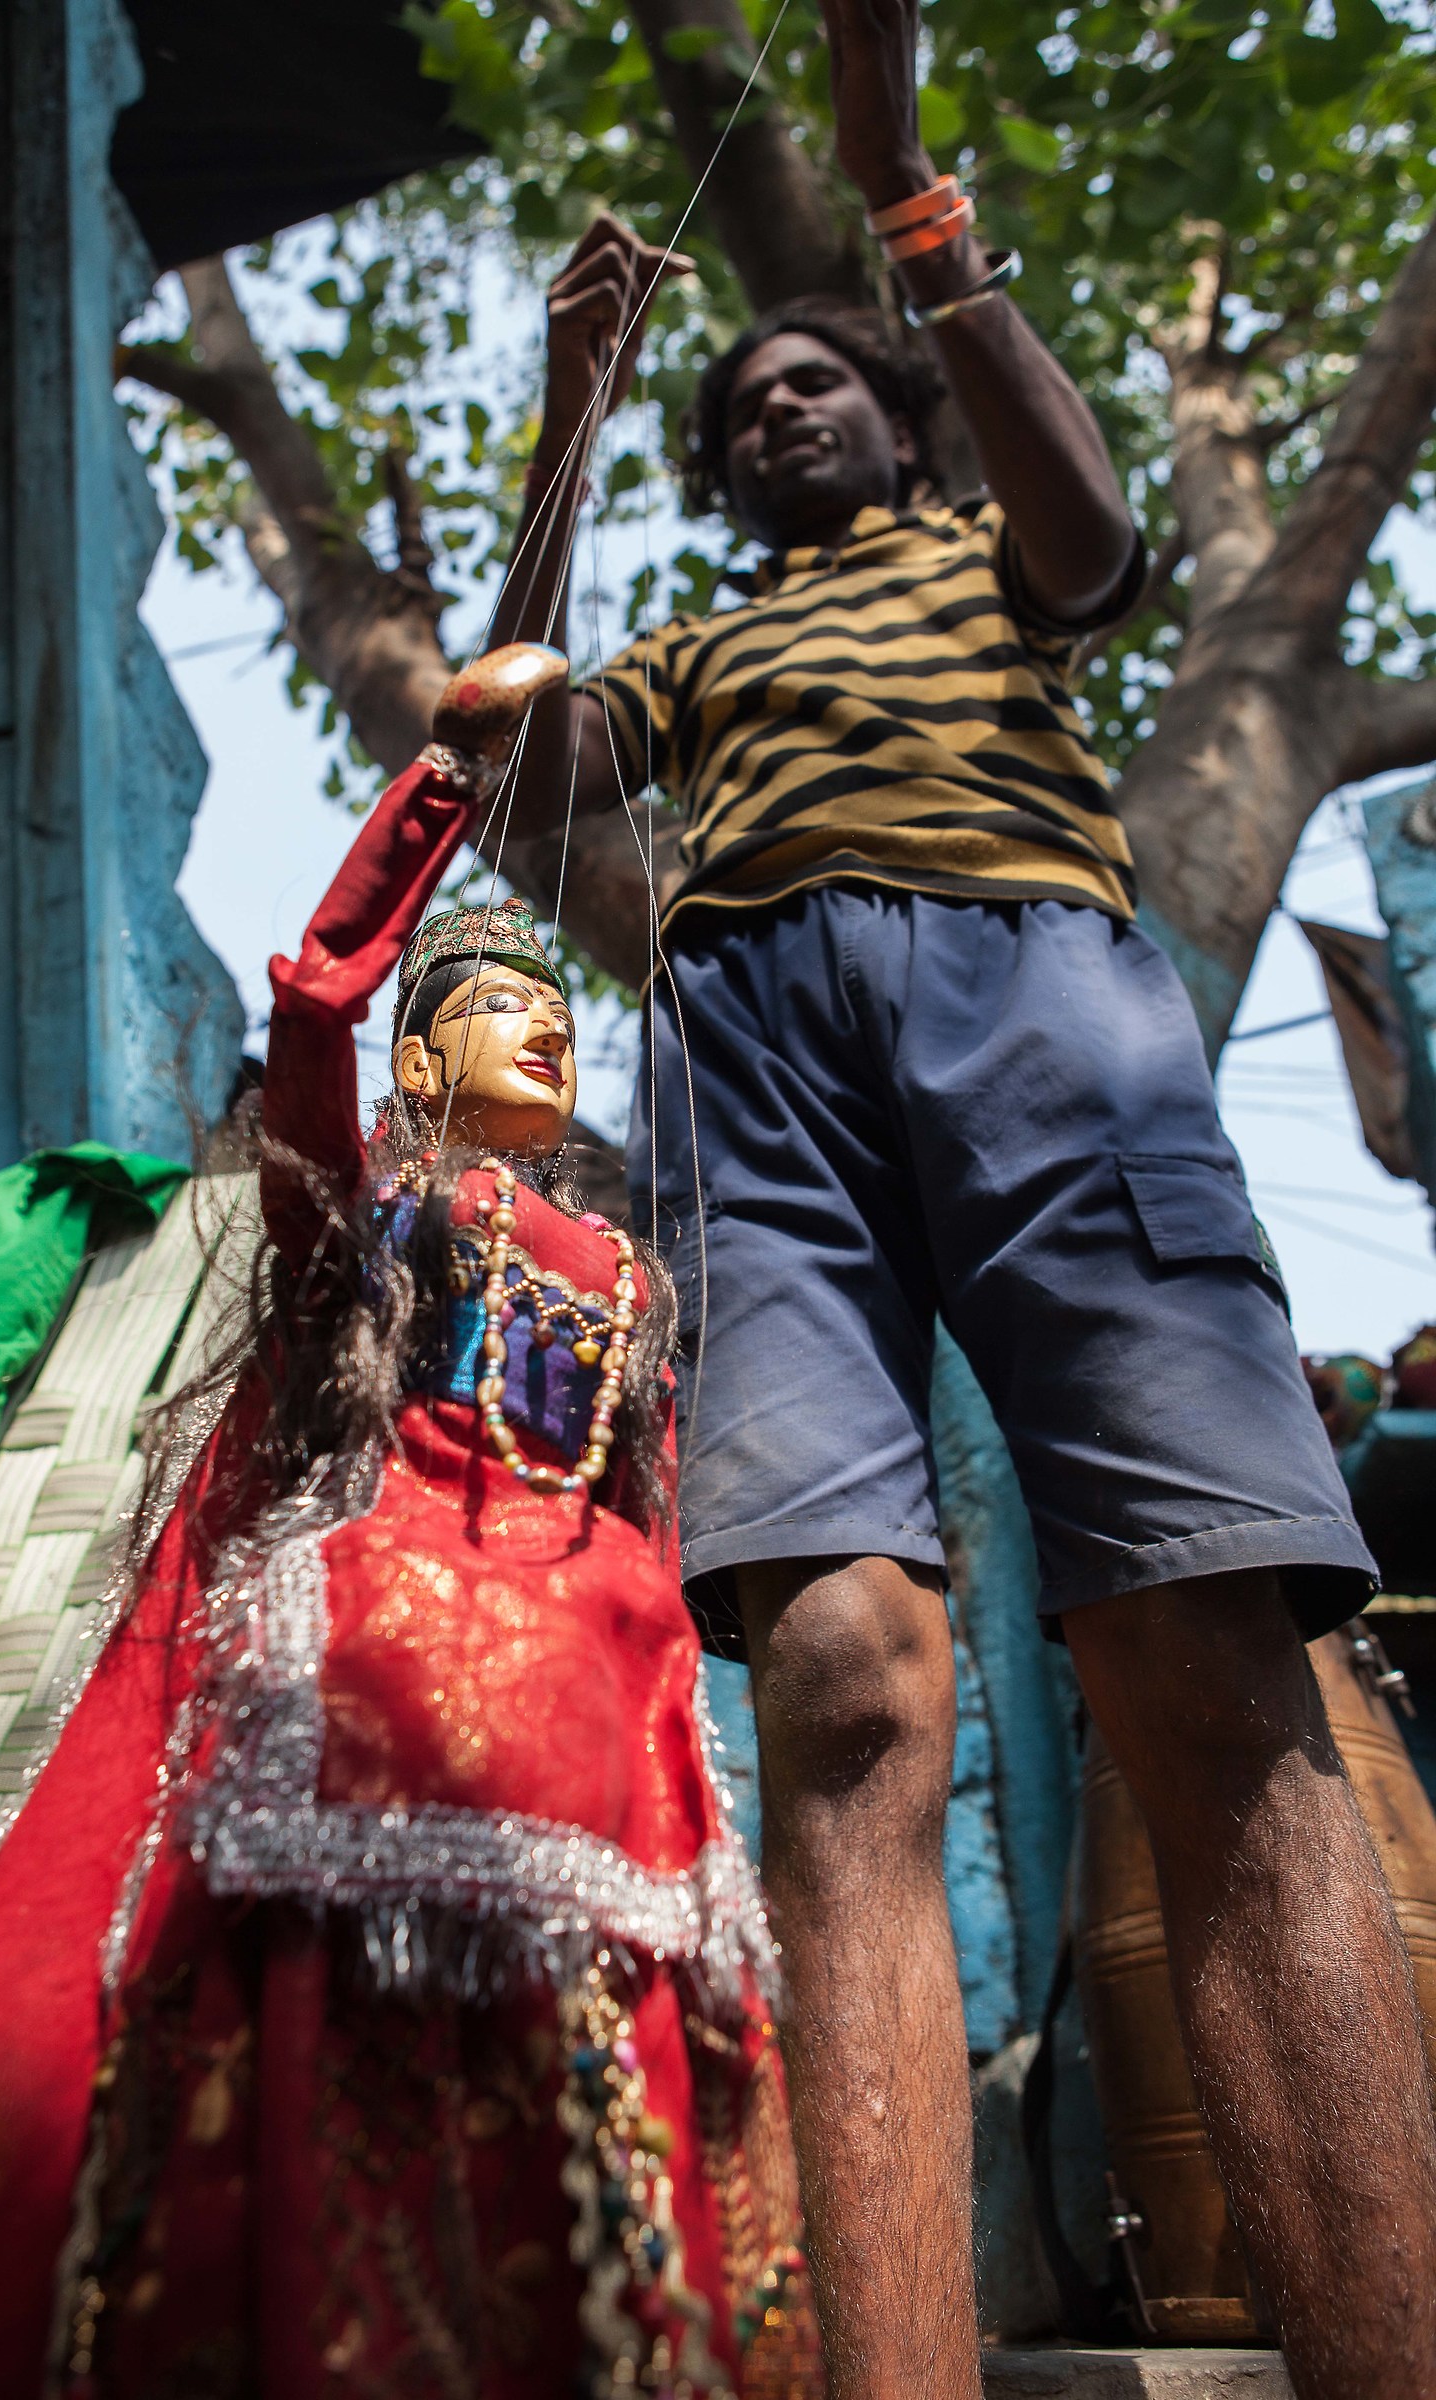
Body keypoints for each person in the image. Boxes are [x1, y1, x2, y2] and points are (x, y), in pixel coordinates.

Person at [488, 4, 1436, 2395]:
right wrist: (569, 434)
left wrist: (905, 187)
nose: (768, 412)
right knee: (836, 1685)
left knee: (1207, 1651)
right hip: (749, 1068)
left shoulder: (976, 549)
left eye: (805, 382)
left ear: (892, 409)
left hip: (1039, 1000)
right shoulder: (695, 653)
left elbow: (1099, 537)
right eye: (736, 413)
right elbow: (512, 780)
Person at [0, 647, 822, 2400]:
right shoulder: (361, 1221)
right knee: (350, 2043)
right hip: (387, 1656)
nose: (548, 1019)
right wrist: (438, 782)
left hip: (611, 1671)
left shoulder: (634, 1267)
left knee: (608, 2035)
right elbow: (312, 1000)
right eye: (497, 1004)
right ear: (422, 1055)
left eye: (560, 1008)